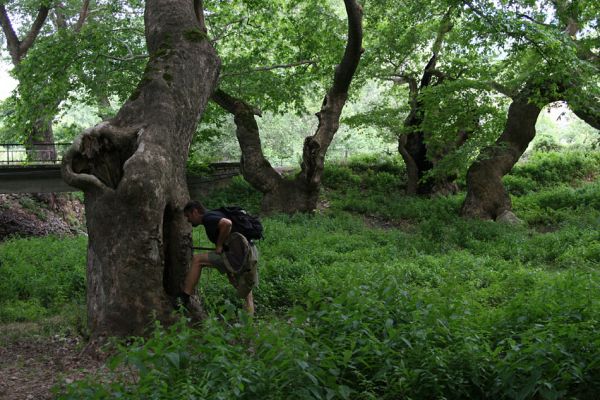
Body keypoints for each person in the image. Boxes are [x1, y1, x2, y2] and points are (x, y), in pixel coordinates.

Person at [178, 200, 256, 315]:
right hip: (249, 252)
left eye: (188, 216)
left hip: (238, 254)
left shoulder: (208, 218)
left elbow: (227, 224)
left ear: (195, 212)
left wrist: (219, 245)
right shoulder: (214, 215)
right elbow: (227, 239)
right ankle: (249, 326)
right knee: (246, 292)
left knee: (197, 260)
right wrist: (230, 271)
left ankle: (184, 298)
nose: (188, 220)